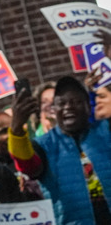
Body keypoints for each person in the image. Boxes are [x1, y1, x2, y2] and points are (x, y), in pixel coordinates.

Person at [9, 75, 111, 224]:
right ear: (54, 110)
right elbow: (29, 168)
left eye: (76, 102)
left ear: (88, 106)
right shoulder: (44, 144)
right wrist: (17, 129)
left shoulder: (106, 130)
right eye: (61, 103)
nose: (68, 107)